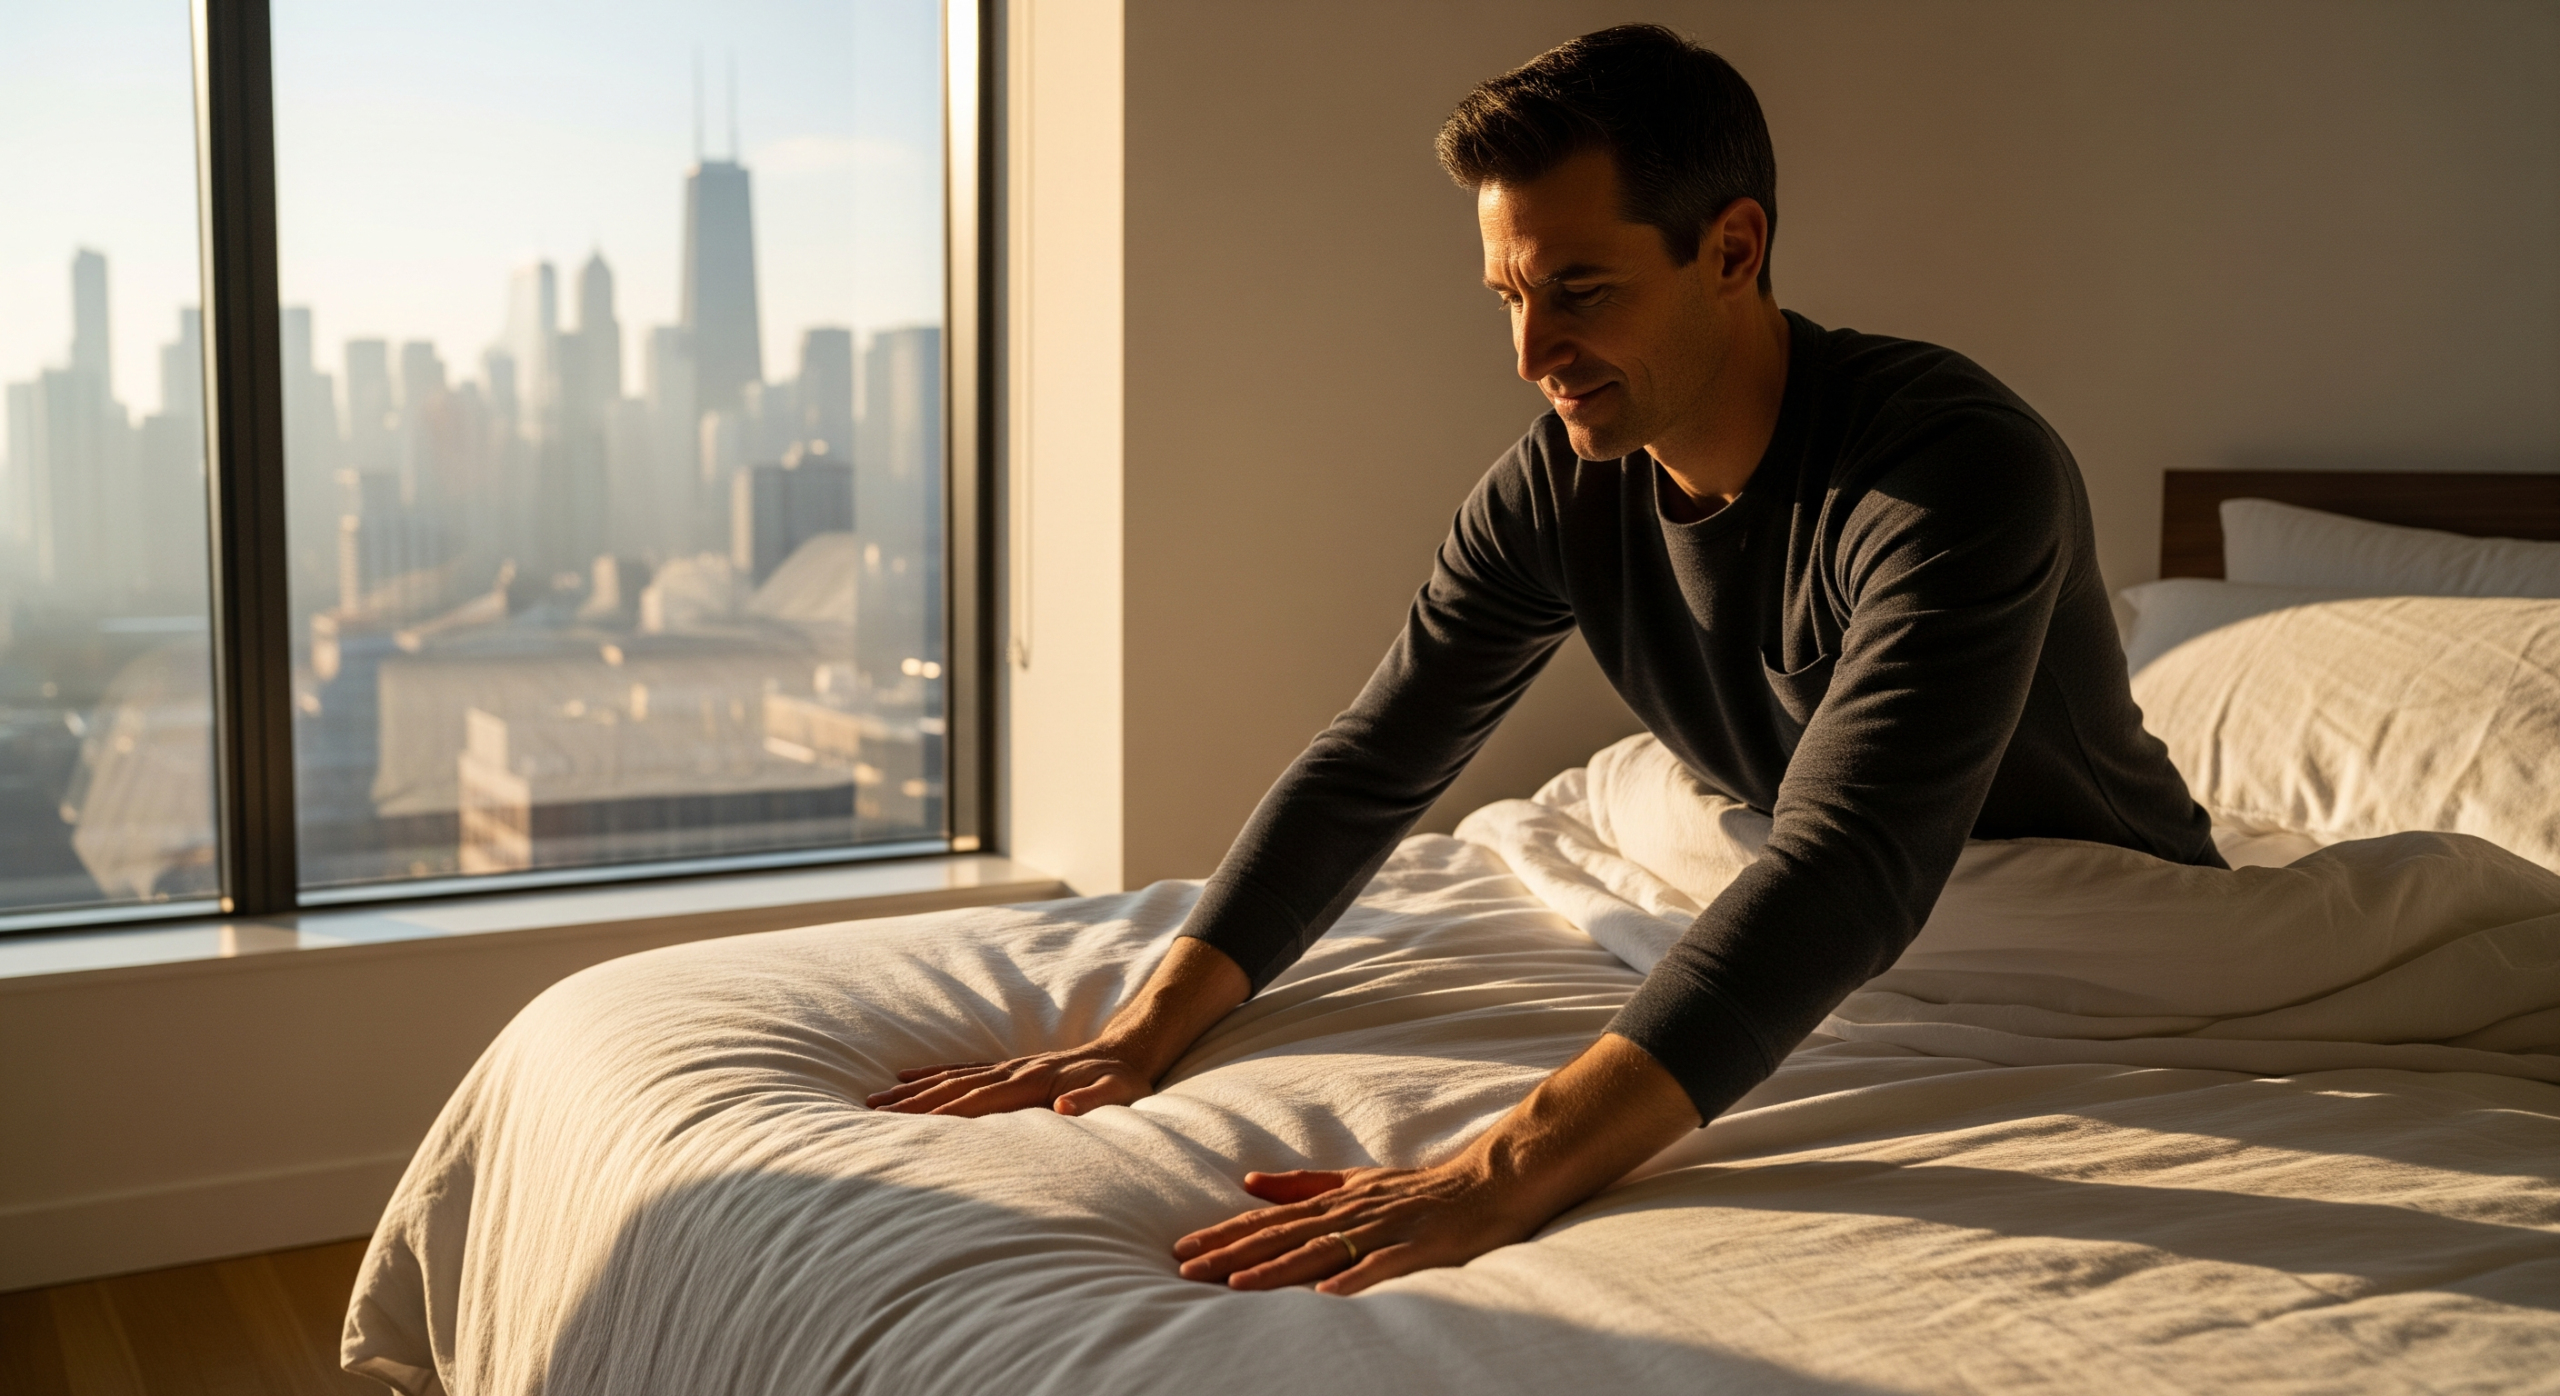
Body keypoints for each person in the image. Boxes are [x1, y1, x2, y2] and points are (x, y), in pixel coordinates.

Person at [868, 24, 2220, 1296]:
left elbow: (1855, 862)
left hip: (2079, 933)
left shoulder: (1955, 471)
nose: (1531, 354)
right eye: (1510, 295)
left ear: (1732, 249)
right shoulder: (1562, 486)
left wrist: (1504, 1169)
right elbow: (1376, 759)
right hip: (1811, 881)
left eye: (1580, 291)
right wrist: (1141, 1030)